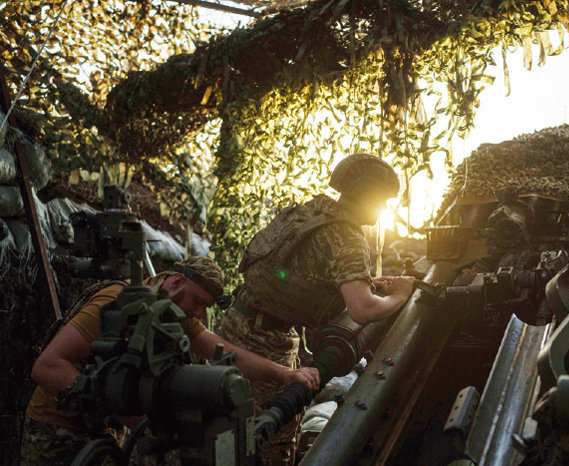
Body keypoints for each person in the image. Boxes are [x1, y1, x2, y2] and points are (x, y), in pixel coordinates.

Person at [20, 256, 320, 465]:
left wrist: (284, 374)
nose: (200, 314)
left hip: (106, 432)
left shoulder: (173, 313)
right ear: (176, 282)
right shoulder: (116, 302)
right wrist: (133, 416)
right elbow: (46, 367)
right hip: (57, 432)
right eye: (199, 301)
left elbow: (222, 350)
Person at [221, 153, 416, 465]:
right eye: (382, 200)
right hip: (266, 343)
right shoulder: (349, 236)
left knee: (226, 429)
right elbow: (363, 310)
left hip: (238, 322)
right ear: (367, 195)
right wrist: (401, 295)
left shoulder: (314, 210)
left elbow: (306, 269)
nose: (384, 209)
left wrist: (362, 281)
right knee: (268, 443)